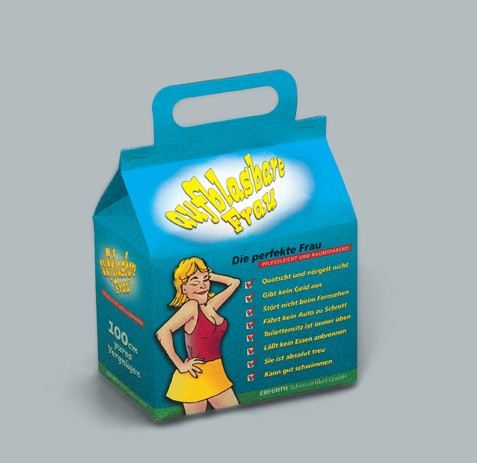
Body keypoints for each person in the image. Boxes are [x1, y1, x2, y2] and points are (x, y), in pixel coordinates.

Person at [156, 257, 241, 415]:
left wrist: (209, 275)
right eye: (194, 282)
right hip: (196, 374)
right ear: (184, 289)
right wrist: (180, 365)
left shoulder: (211, 305)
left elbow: (234, 283)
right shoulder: (191, 306)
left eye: (205, 280)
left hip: (216, 373)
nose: (202, 285)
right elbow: (163, 332)